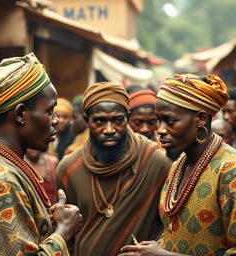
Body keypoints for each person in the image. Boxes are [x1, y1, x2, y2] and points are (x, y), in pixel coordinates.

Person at [120, 74, 236, 255]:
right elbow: (172, 232)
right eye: (158, 120)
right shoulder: (178, 165)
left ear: (202, 119)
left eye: (170, 121)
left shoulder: (230, 170)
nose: (160, 130)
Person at [0, 53, 82, 255]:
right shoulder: (1, 181)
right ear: (20, 114)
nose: (56, 121)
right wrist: (63, 232)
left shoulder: (2, 165)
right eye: (49, 111)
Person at [56, 82, 171, 256]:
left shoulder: (156, 162)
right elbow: (66, 234)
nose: (109, 130)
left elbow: (167, 224)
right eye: (99, 121)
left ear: (127, 117)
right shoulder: (69, 168)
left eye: (117, 120)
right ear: (87, 120)